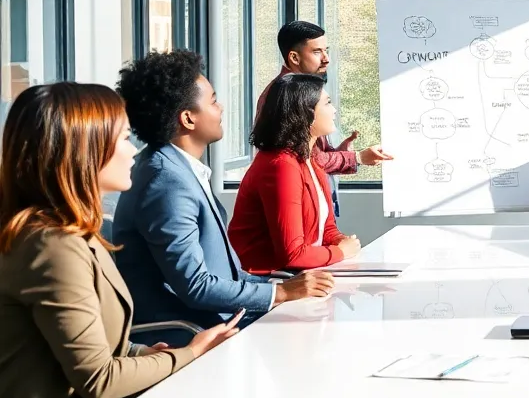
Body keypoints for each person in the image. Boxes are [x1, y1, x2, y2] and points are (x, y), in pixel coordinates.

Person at [0, 83, 238, 398]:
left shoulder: (73, 232)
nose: (132, 151)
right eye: (124, 138)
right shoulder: (52, 245)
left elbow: (86, 345)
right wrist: (189, 353)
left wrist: (142, 353)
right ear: (85, 151)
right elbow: (97, 379)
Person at [113, 51, 335, 332]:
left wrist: (282, 287)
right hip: (192, 332)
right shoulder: (166, 182)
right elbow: (197, 287)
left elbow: (228, 274)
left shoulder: (178, 168)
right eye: (213, 101)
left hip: (221, 319)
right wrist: (281, 293)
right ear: (188, 119)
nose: (221, 109)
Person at [230, 73, 362, 274]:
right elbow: (292, 255)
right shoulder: (281, 166)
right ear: (305, 114)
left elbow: (326, 229)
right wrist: (340, 253)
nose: (334, 110)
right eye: (327, 104)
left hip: (294, 277)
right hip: (264, 283)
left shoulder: (310, 160)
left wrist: (341, 241)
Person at [258, 21, 392, 216]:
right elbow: (301, 159)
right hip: (300, 206)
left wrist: (337, 152)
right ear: (294, 57)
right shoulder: (283, 97)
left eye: (326, 50)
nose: (326, 59)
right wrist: (358, 157)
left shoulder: (304, 90)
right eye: (317, 52)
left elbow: (310, 154)